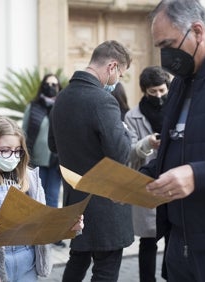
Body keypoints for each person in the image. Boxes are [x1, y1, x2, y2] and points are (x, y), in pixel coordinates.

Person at [142, 0, 205, 281]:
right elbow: (177, 147)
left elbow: (194, 167)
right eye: (159, 47)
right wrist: (141, 177)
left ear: (197, 31)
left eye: (168, 44)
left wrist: (198, 175)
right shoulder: (180, 83)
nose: (164, 56)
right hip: (178, 245)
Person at [48, 40, 134, 282]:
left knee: (78, 259)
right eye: (121, 74)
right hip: (106, 202)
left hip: (75, 198)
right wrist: (124, 130)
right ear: (112, 66)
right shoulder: (103, 101)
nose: (117, 80)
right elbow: (120, 154)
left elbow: (53, 145)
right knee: (106, 269)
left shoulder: (62, 98)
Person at [0, 115, 84, 282]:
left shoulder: (29, 178)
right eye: (5, 150)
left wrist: (70, 226)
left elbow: (44, 223)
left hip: (28, 266)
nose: (12, 156)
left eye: (17, 151)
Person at [124, 66, 171, 282]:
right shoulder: (132, 116)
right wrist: (148, 143)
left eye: (162, 91)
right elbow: (130, 153)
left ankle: (171, 275)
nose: (159, 96)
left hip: (174, 180)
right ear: (145, 90)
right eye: (153, 92)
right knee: (149, 239)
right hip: (148, 183)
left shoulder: (177, 109)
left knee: (174, 235)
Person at [22, 73, 66, 247]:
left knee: (53, 197)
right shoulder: (33, 107)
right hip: (36, 161)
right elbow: (24, 131)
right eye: (47, 84)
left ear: (59, 87)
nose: (51, 87)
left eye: (54, 84)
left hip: (56, 161)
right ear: (42, 86)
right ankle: (35, 232)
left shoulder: (63, 107)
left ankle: (53, 234)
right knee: (35, 197)